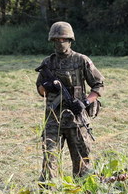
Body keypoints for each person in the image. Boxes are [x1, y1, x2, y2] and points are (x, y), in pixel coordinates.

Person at [36, 21, 104, 180]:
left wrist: (86, 102)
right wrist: (47, 86)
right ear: (52, 41)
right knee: (49, 160)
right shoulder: (48, 62)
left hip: (76, 120)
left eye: (64, 39)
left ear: (70, 40)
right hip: (54, 119)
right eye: (57, 40)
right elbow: (40, 90)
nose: (60, 43)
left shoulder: (81, 60)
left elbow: (99, 84)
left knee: (82, 162)